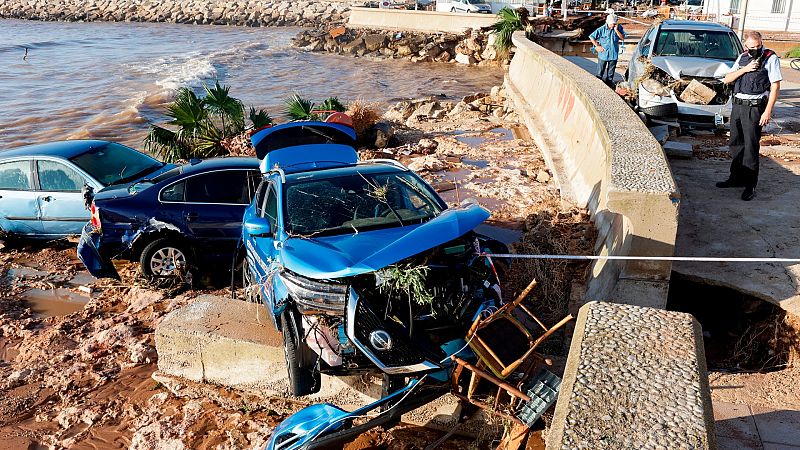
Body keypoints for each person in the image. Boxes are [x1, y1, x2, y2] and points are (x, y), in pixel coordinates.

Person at [716, 30, 782, 201]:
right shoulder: (742, 58)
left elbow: (775, 87)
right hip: (738, 106)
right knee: (735, 143)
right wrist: (745, 69)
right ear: (746, 46)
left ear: (761, 43)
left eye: (758, 46)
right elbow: (727, 79)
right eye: (752, 47)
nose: (756, 49)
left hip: (754, 108)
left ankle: (750, 185)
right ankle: (735, 178)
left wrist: (767, 111)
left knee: (751, 147)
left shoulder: (770, 58)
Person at [589, 14, 625, 87]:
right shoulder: (601, 29)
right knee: (600, 70)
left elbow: (622, 38)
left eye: (614, 24)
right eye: (612, 24)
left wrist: (617, 30)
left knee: (611, 72)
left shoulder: (619, 28)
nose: (613, 26)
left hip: (613, 53)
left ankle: (609, 82)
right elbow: (591, 37)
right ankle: (598, 84)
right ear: (608, 23)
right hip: (603, 54)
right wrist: (597, 46)